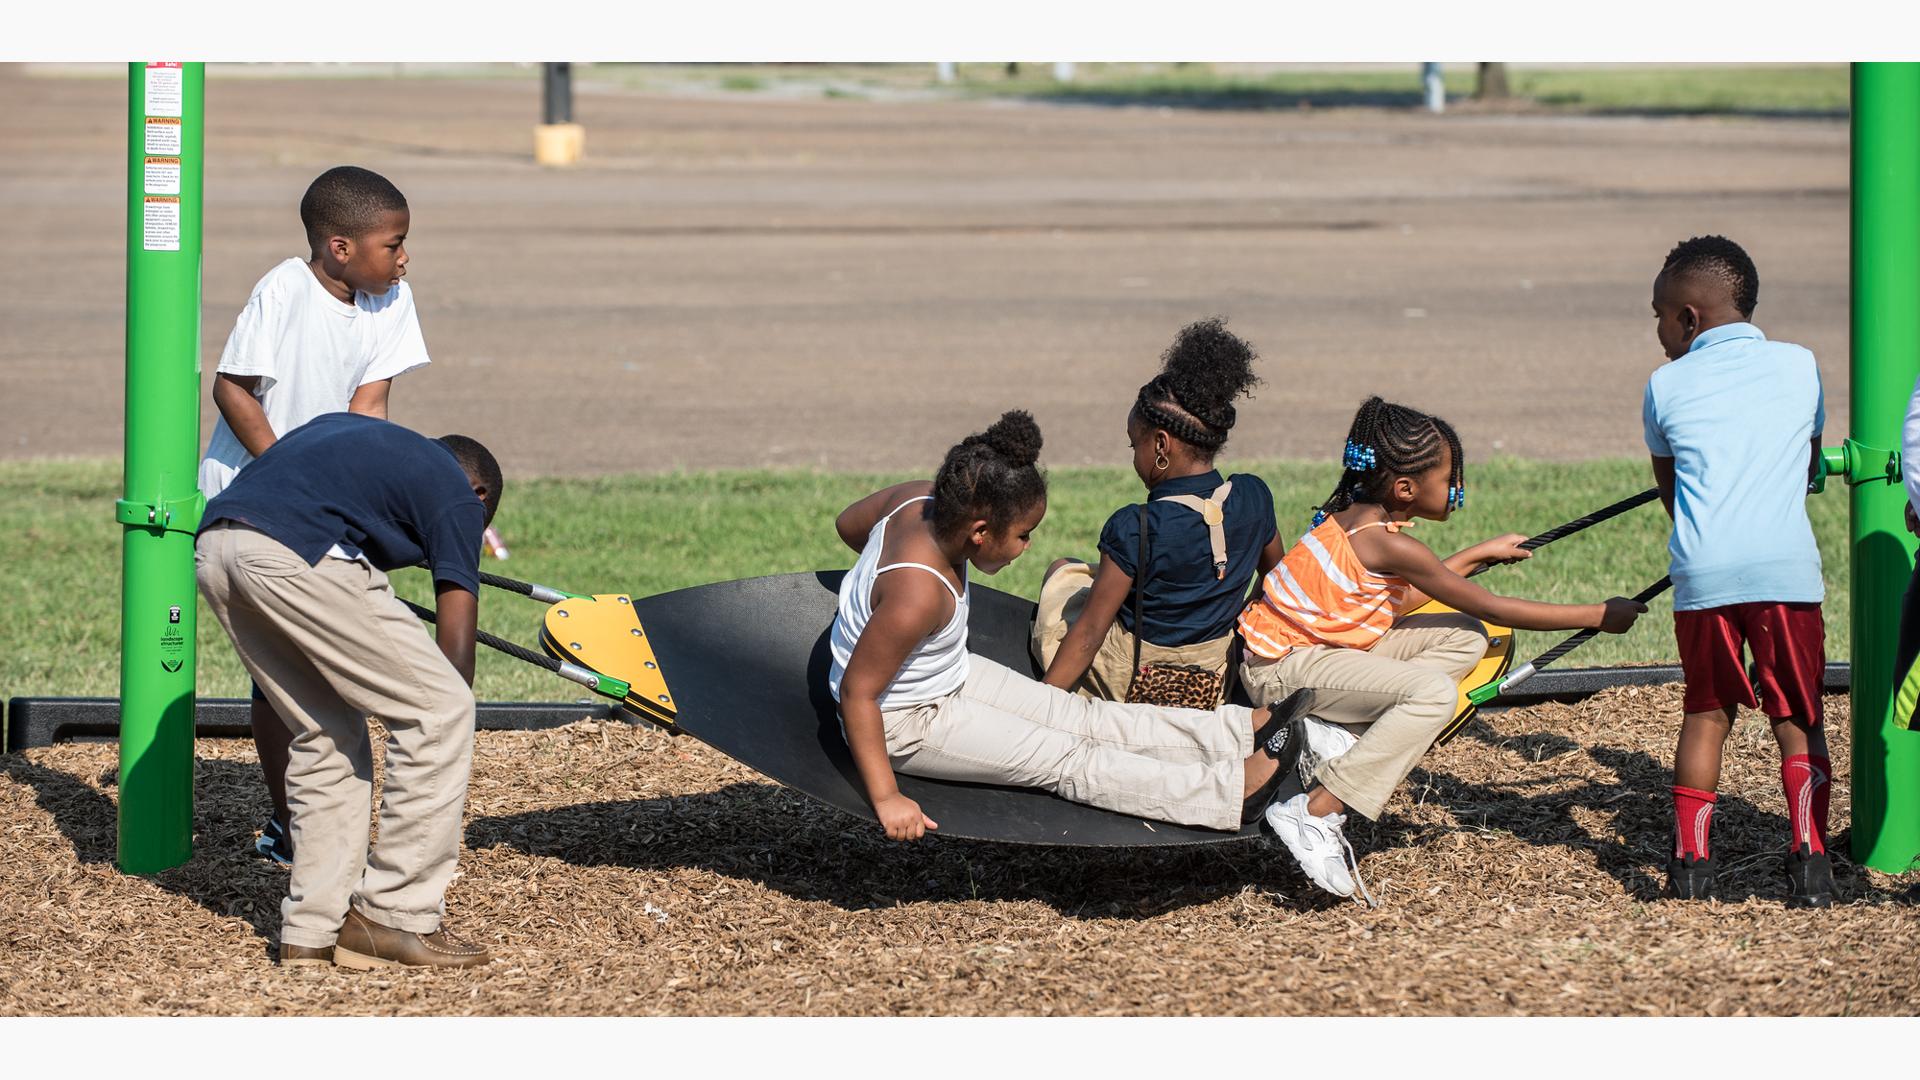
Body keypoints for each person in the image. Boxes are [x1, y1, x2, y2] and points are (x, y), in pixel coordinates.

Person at [828, 410, 1306, 841]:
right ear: (979, 531)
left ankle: (1241, 732)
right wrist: (887, 798)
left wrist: (873, 593)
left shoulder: (918, 498)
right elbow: (858, 694)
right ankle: (1227, 792)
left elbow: (850, 525)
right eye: (1022, 536)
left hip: (946, 674)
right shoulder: (917, 596)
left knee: (1079, 716)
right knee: (1065, 757)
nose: (1027, 547)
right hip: (902, 721)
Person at [1238, 397, 1645, 902]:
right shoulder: (1389, 543)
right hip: (1282, 672)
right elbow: (1498, 607)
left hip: (1309, 656)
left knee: (1465, 634)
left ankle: (1337, 735)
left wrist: (1477, 553)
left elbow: (1402, 601)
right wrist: (1597, 616)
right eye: (1449, 476)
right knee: (1433, 694)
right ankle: (1317, 811)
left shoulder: (1353, 515)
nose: (1457, 488)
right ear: (1405, 488)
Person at [195, 413, 502, 969]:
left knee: (325, 732)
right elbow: (454, 656)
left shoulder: (356, 440)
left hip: (217, 545)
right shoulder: (460, 496)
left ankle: (311, 931)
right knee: (441, 711)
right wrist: (442, 754)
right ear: (479, 493)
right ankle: (393, 916)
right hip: (295, 553)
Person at [197, 165, 431, 867]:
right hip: (256, 497)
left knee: (329, 666)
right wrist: (286, 472)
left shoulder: (393, 298)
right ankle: (290, 826)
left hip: (327, 504)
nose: (404, 257)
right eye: (392, 245)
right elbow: (232, 390)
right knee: (285, 674)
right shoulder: (284, 289)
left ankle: (319, 822)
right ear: (339, 248)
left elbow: (371, 409)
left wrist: (379, 496)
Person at [1642, 235, 1832, 906]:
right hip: (1786, 574)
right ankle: (1810, 865)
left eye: (1660, 314)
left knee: (1706, 713)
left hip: (1704, 577)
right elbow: (1809, 464)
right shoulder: (1801, 364)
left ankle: (1691, 870)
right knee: (1798, 717)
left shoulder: (1664, 385)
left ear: (1689, 318)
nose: (1658, 330)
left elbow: (1674, 494)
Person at [1033, 318, 1280, 704]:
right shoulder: (1254, 496)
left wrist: (1039, 706)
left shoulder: (1137, 526)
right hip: (1211, 681)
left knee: (1063, 571)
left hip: (1134, 681)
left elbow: (1090, 633)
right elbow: (1275, 584)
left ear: (1161, 445)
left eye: (1135, 445)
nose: (1134, 456)